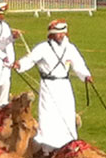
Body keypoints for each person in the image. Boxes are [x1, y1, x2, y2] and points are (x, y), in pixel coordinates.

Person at [13, 20, 93, 151]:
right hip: (48, 85)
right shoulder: (43, 48)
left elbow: (78, 63)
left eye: (63, 33)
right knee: (48, 113)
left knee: (66, 111)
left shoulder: (70, 48)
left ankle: (68, 139)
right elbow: (31, 59)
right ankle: (47, 142)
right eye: (58, 33)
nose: (61, 36)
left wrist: (85, 75)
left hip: (64, 84)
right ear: (51, 34)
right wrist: (20, 65)